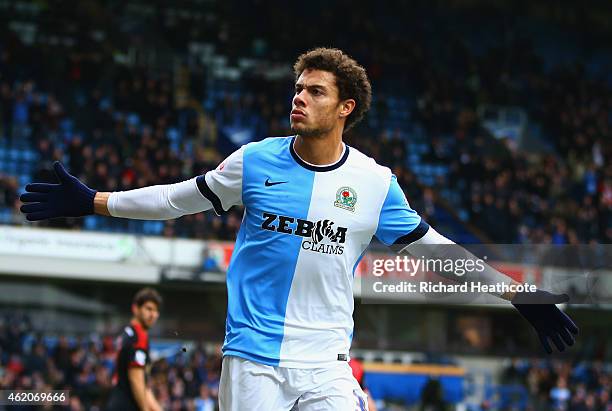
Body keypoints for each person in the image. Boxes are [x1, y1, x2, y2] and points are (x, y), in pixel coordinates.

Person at [20, 48, 578, 411]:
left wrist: (519, 294)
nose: (300, 97)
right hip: (252, 363)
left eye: (316, 91)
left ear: (345, 108)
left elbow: (436, 250)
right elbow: (174, 199)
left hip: (326, 366)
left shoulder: (376, 183)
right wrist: (95, 200)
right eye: (299, 88)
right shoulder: (255, 161)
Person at [105, 287, 163, 411]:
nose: (153, 315)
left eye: (156, 311)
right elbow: (136, 379)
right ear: (136, 309)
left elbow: (144, 387)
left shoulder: (127, 333)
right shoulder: (139, 336)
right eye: (149, 309)